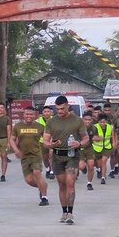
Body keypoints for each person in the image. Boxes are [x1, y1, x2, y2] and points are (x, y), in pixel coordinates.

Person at [43, 95, 88, 224]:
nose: (60, 111)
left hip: (72, 155)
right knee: (62, 185)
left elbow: (86, 138)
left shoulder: (77, 121)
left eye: (62, 108)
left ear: (68, 106)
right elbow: (46, 140)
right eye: (57, 109)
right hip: (57, 156)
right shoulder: (51, 122)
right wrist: (50, 145)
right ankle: (64, 211)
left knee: (70, 183)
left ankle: (70, 213)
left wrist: (79, 143)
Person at [10, 106, 48, 206]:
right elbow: (12, 139)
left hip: (36, 154)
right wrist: (16, 150)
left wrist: (51, 145)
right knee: (29, 180)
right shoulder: (18, 126)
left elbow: (47, 139)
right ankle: (42, 187)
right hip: (24, 156)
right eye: (27, 114)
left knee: (37, 173)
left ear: (34, 115)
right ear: (24, 115)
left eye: (31, 114)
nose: (29, 116)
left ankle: (44, 197)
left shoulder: (40, 127)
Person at [92, 113, 113, 185]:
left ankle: (103, 177)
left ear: (106, 121)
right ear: (98, 121)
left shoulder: (110, 127)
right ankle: (99, 170)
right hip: (97, 148)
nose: (102, 123)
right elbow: (92, 138)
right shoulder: (94, 127)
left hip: (107, 147)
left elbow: (113, 136)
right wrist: (98, 139)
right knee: (99, 163)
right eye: (101, 122)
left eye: (104, 122)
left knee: (104, 161)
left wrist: (114, 144)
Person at [79, 112, 98, 191]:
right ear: (83, 120)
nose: (87, 121)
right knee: (81, 166)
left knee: (91, 166)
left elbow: (95, 137)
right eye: (86, 120)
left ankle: (89, 183)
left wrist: (97, 138)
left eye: (89, 120)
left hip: (89, 148)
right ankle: (83, 168)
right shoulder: (79, 128)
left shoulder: (94, 128)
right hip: (80, 149)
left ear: (92, 120)